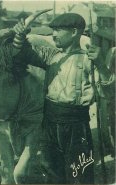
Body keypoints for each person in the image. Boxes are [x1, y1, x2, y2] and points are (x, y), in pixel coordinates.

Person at [12, 13, 114, 184]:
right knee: (52, 172)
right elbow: (20, 54)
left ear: (74, 32)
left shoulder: (89, 59)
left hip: (76, 125)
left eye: (59, 30)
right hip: (49, 122)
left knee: (80, 172)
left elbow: (108, 94)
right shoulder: (51, 56)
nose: (53, 35)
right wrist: (19, 35)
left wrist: (101, 65)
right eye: (53, 30)